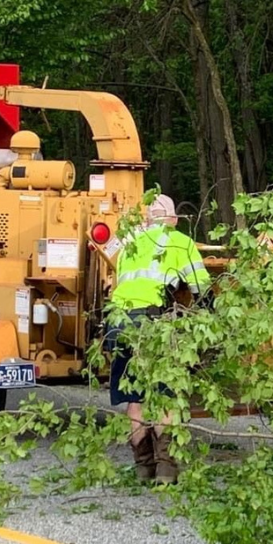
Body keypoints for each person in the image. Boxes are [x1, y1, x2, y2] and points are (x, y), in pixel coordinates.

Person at [104, 194, 211, 484]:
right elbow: (201, 286)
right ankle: (166, 471)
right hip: (154, 325)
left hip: (119, 323)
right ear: (173, 220)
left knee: (135, 399)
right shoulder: (178, 241)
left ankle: (143, 469)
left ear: (147, 219)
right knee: (164, 396)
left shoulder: (129, 243)